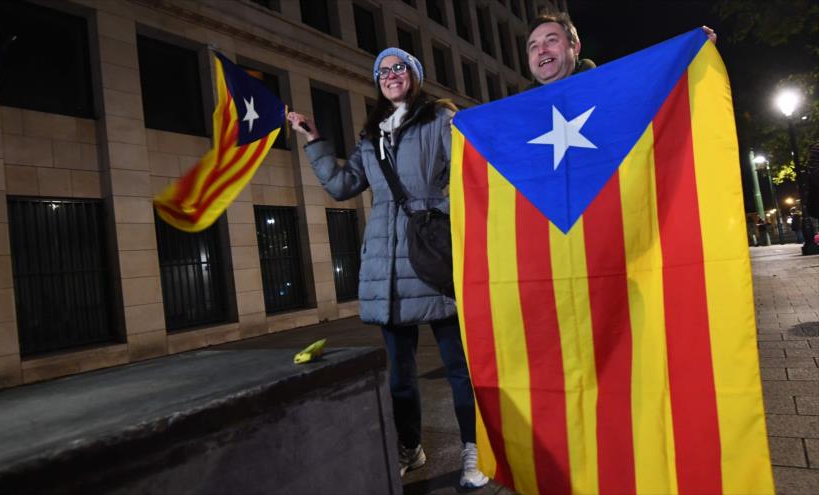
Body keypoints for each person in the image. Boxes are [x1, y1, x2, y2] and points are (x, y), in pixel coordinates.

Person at [287, 48, 489, 489]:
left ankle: (474, 448)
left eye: (399, 68)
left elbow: (469, 175)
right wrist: (313, 140)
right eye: (383, 71)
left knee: (459, 366)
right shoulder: (370, 136)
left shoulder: (440, 119)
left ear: (414, 76)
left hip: (434, 258)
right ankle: (410, 447)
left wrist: (439, 213)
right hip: (387, 269)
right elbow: (342, 187)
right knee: (400, 374)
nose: (391, 75)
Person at [524, 12, 717, 88]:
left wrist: (691, 53)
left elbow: (660, 90)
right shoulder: (515, 118)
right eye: (533, 47)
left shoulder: (615, 89)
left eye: (551, 40)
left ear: (575, 47)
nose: (541, 50)